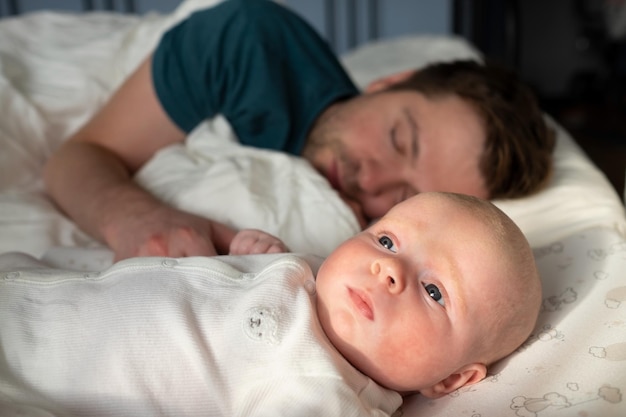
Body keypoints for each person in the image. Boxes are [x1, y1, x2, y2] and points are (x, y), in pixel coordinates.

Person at [43, 0, 556, 261]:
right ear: (388, 82)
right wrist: (134, 217)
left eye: (404, 195)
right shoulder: (248, 44)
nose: (371, 180)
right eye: (399, 139)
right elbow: (78, 155)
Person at [0, 192, 542, 416]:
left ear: (450, 381)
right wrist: (255, 254)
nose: (388, 270)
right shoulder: (315, 275)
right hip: (42, 284)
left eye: (433, 291)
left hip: (37, 373)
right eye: (386, 240)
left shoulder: (325, 392)